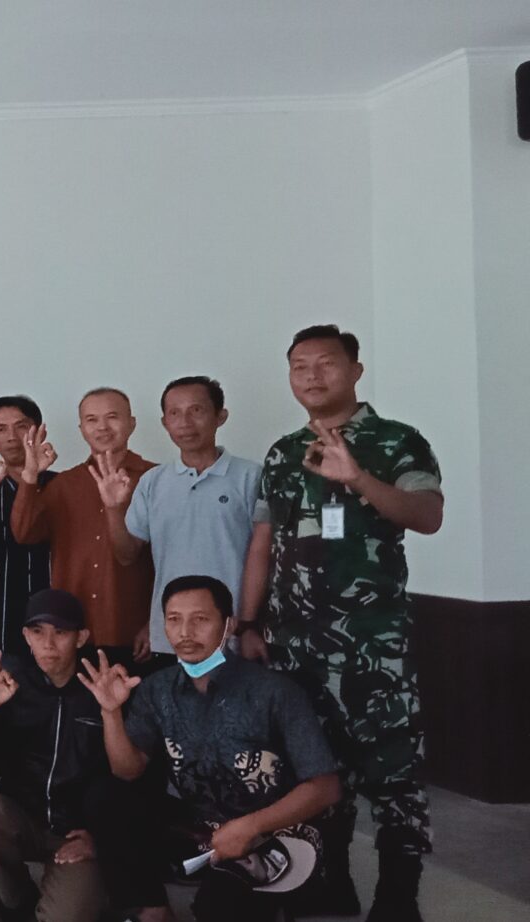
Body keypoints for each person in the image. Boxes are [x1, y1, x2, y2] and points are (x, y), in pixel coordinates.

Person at [242, 324, 443, 921]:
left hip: (373, 644)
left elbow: (428, 515)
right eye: (299, 366)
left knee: (393, 772)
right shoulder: (282, 453)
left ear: (355, 370)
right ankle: (331, 881)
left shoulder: (396, 441)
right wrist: (247, 623)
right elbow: (262, 543)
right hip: (294, 646)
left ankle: (398, 896)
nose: (311, 375)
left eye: (325, 363)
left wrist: (357, 477)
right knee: (313, 766)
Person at [84, 575, 343, 922]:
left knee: (216, 909)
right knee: (107, 797)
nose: (185, 632)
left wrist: (250, 826)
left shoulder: (274, 692)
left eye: (200, 619)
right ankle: (152, 911)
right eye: (174, 619)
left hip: (271, 835)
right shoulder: (156, 689)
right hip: (201, 829)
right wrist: (111, 712)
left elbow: (326, 788)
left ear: (229, 625)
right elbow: (126, 770)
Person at [0, 589, 110, 922]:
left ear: (81, 637)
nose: (48, 644)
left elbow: (127, 776)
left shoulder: (101, 687)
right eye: (38, 632)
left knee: (67, 916)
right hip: (24, 820)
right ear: (26, 636)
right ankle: (16, 900)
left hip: (78, 832)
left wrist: (100, 836)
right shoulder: (13, 683)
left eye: (61, 632)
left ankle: (93, 890)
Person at [99, 377, 258, 666]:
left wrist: (250, 626)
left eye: (196, 410)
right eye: (174, 413)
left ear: (220, 416)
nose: (185, 422)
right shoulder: (153, 481)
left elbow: (266, 557)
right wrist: (113, 509)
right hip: (171, 636)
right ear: (164, 422)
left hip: (234, 633)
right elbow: (126, 554)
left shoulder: (250, 477)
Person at [9, 389, 156, 664]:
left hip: (134, 630)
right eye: (91, 420)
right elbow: (24, 532)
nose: (102, 427)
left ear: (132, 423)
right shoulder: (64, 484)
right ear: (81, 429)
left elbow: (172, 558)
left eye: (112, 417)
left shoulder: (155, 478)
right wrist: (30, 474)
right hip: (71, 631)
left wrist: (156, 621)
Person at [0, 396, 56, 664]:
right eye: (1, 429)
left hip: (56, 604)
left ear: (39, 432)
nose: (11, 437)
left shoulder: (60, 485)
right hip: (8, 607)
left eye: (21, 427)